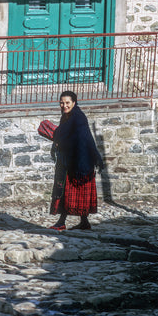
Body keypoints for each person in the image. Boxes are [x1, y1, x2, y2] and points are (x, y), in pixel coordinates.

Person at [47, 91, 103, 231]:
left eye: (67, 103)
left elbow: (82, 140)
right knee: (70, 191)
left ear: (74, 103)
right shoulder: (66, 117)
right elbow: (63, 135)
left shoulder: (78, 118)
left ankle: (62, 222)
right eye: (62, 103)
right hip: (71, 160)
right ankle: (83, 223)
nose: (64, 105)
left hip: (79, 161)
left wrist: (60, 139)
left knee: (71, 191)